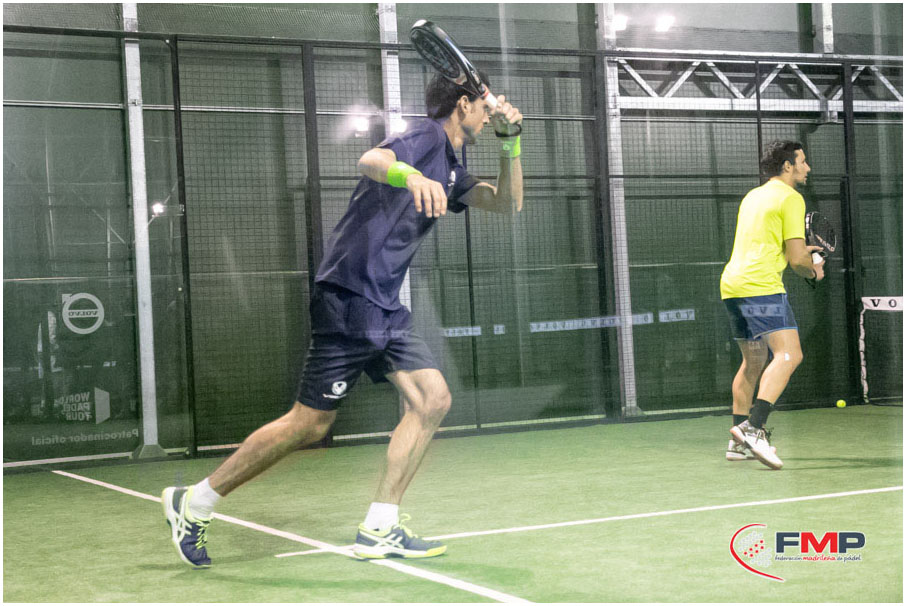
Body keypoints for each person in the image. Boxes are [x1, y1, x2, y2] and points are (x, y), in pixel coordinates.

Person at [161, 72, 524, 568]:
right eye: (484, 104)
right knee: (309, 423)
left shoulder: (452, 169)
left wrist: (511, 143)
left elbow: (507, 203)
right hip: (351, 293)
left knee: (432, 398)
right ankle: (195, 501)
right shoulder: (425, 136)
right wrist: (411, 176)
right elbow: (371, 159)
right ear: (463, 105)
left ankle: (380, 527)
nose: (488, 112)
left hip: (383, 304)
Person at [720, 140, 824, 470]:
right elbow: (796, 260)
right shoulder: (791, 197)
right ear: (787, 166)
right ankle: (753, 428)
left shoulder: (754, 195)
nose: (808, 168)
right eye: (803, 162)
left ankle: (737, 442)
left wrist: (805, 255)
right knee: (789, 355)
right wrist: (814, 270)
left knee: (753, 361)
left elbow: (769, 243)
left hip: (732, 286)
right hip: (761, 288)